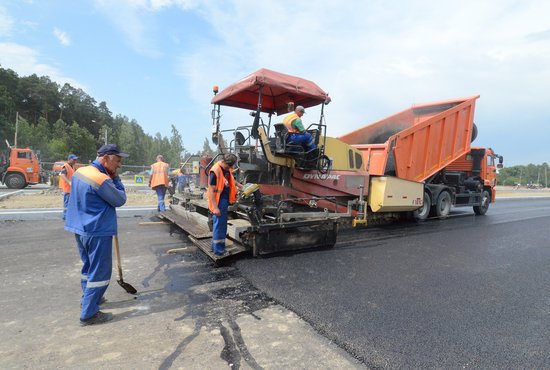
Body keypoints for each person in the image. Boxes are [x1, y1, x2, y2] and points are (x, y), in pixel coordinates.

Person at [65, 144, 128, 326]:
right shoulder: (101, 179)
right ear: (106, 157)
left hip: (80, 228)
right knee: (100, 271)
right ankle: (89, 313)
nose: (119, 165)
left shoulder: (80, 172)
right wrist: (116, 179)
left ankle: (89, 299)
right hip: (96, 230)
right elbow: (120, 199)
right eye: (117, 160)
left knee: (89, 268)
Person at [207, 153, 242, 256]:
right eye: (229, 166)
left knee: (220, 225)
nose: (229, 168)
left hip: (224, 200)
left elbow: (230, 179)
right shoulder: (215, 171)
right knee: (220, 226)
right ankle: (219, 251)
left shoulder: (226, 169)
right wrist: (215, 207)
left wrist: (238, 185)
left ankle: (215, 248)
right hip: (218, 201)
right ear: (224, 162)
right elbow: (211, 191)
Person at [59, 154, 78, 220]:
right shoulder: (66, 166)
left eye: (76, 159)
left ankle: (68, 217)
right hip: (67, 189)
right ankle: (65, 217)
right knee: (67, 204)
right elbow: (62, 175)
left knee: (70, 204)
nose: (75, 161)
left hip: (70, 189)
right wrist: (69, 182)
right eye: (74, 159)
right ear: (69, 159)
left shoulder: (71, 166)